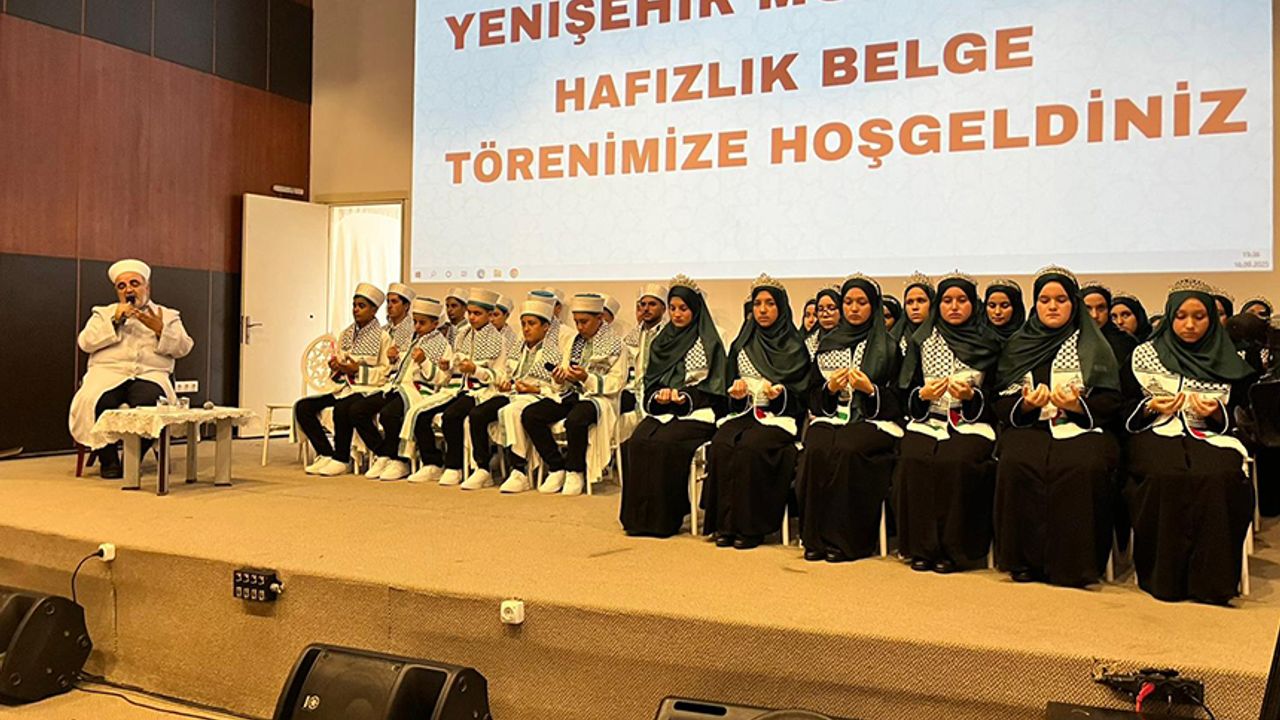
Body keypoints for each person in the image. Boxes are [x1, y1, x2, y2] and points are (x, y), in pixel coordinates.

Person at [1121, 279, 1257, 604]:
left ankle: (1212, 581)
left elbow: (1246, 414)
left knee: (1218, 476)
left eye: (1199, 317)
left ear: (1212, 319)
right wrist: (1150, 407)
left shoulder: (1230, 359)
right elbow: (1122, 406)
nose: (1190, 325)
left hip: (1212, 436)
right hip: (1155, 432)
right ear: (1170, 318)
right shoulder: (1144, 355)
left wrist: (1217, 413)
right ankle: (1165, 578)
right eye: (1181, 316)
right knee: (1166, 474)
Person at [993, 266, 1122, 586]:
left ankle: (1074, 565)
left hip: (1082, 427)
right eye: (1045, 300)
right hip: (1031, 427)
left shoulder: (1094, 345)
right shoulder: (1018, 344)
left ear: (1073, 304)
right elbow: (1001, 400)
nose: (1052, 306)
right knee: (1017, 461)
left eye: (1061, 300)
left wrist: (1078, 406)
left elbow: (1111, 401)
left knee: (1082, 465)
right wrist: (1025, 405)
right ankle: (1023, 561)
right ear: (1035, 304)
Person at [894, 273, 1001, 573]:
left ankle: (955, 551)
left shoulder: (990, 343)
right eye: (947, 300)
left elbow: (998, 395)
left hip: (971, 423)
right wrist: (922, 395)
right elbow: (905, 390)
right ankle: (921, 548)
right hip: (928, 419)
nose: (954, 307)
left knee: (956, 460)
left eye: (961, 300)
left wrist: (972, 397)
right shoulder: (922, 341)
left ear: (973, 304)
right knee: (915, 457)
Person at [794, 274, 901, 562]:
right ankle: (814, 539)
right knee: (817, 446)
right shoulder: (828, 343)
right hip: (833, 417)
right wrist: (829, 389)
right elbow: (812, 394)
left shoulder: (889, 347)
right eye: (849, 302)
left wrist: (871, 390)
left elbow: (899, 400)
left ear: (873, 306)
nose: (854, 308)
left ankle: (846, 541)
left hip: (874, 420)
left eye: (861, 302)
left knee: (847, 448)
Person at [703, 275, 811, 549]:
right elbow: (730, 387)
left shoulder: (794, 346)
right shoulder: (742, 343)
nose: (762, 310)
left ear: (782, 308)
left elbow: (802, 394)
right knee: (722, 443)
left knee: (752, 447)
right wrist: (737, 393)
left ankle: (751, 528)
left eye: (770, 304)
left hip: (779, 417)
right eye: (758, 304)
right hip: (745, 413)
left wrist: (780, 394)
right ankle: (725, 524)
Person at [620, 277, 728, 536]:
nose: (677, 314)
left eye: (683, 308)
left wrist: (685, 397)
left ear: (695, 309)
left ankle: (666, 517)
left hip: (698, 412)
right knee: (637, 442)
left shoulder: (709, 341)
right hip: (664, 411)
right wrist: (659, 396)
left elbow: (716, 388)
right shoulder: (662, 341)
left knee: (665, 444)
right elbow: (651, 381)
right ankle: (638, 519)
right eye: (673, 308)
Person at [70, 259, 194, 479]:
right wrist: (115, 320)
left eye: (134, 283)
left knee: (152, 405)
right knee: (97, 401)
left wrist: (160, 329)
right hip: (108, 374)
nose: (128, 289)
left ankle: (133, 458)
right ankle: (108, 461)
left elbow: (184, 348)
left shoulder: (167, 315)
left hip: (150, 374)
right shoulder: (103, 313)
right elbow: (85, 343)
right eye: (122, 286)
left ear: (147, 287)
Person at [522, 293, 629, 496]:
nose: (579, 327)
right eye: (576, 321)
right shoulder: (573, 342)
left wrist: (586, 377)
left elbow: (616, 382)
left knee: (576, 419)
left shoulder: (616, 344)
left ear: (599, 318)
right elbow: (563, 374)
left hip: (599, 398)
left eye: (584, 321)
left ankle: (575, 471)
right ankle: (556, 467)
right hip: (570, 394)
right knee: (531, 414)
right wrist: (560, 378)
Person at [461, 299, 564, 493]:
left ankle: (519, 470)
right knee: (478, 413)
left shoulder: (555, 351)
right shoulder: (518, 348)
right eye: (523, 324)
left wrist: (534, 389)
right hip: (514, 394)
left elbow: (559, 388)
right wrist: (504, 383)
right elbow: (505, 375)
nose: (526, 329)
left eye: (532, 324)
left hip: (538, 397)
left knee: (512, 412)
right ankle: (483, 468)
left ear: (546, 327)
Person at [295, 283, 392, 476]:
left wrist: (358, 370)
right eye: (354, 305)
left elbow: (386, 372)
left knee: (343, 408)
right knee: (303, 407)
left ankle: (342, 458)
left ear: (374, 310)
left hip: (367, 389)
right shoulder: (346, 334)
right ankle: (326, 453)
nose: (356, 309)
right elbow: (340, 360)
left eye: (361, 306)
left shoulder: (383, 337)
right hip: (343, 387)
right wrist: (336, 366)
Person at [355, 297, 452, 481]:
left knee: (389, 414)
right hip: (396, 386)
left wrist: (424, 361)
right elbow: (403, 369)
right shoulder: (412, 340)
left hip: (418, 391)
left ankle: (400, 460)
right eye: (415, 322)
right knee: (359, 410)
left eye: (422, 323)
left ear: (435, 324)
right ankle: (383, 453)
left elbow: (442, 378)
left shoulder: (442, 345)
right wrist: (394, 359)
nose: (417, 327)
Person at [439, 289, 508, 488]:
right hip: (460, 388)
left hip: (485, 392)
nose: (472, 317)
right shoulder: (462, 335)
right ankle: (453, 466)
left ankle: (480, 468)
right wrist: (447, 365)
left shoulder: (498, 340)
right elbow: (456, 363)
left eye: (477, 313)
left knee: (458, 415)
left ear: (489, 315)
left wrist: (476, 370)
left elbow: (500, 376)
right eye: (470, 312)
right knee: (442, 413)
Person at [622, 283, 669, 415]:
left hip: (659, 390)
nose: (646, 309)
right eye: (643, 304)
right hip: (632, 390)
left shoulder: (669, 336)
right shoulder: (631, 337)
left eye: (652, 304)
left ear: (663, 308)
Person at [1080, 281, 1139, 365]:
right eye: (1087, 309)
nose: (1094, 315)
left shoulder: (1126, 343)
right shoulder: (1070, 340)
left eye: (1101, 308)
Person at [898, 273, 935, 354]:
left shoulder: (940, 336)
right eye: (909, 302)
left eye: (921, 301)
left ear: (932, 303)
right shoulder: (896, 337)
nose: (915, 307)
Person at [805, 286, 842, 357]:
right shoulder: (810, 343)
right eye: (820, 309)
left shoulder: (852, 340)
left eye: (831, 308)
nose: (825, 314)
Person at [383, 282, 417, 359]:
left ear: (406, 306)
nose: (389, 306)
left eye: (394, 302)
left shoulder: (413, 331)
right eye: (388, 301)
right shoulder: (383, 330)